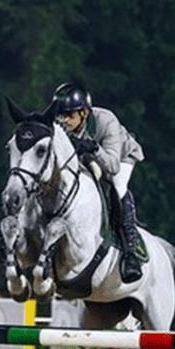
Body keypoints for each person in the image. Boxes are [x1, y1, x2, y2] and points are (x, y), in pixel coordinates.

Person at [51, 82, 145, 283]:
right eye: (60, 114)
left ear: (84, 113)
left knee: (117, 189)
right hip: (86, 159)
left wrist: (93, 148)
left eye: (70, 115)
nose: (63, 120)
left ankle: (130, 253)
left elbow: (112, 166)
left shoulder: (105, 120)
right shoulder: (59, 124)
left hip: (119, 157)